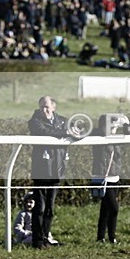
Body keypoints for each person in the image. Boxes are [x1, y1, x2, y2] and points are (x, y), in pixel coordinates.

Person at [28, 95, 83, 249]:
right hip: (41, 170)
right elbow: (43, 131)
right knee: (40, 208)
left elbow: (78, 133)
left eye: (46, 106)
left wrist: (70, 132)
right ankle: (37, 241)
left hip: (57, 170)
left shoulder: (63, 121)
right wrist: (65, 132)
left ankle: (46, 238)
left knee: (50, 209)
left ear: (54, 107)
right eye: (41, 107)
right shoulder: (34, 121)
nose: (43, 110)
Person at [92, 114, 128, 244]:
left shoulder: (117, 138)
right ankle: (111, 237)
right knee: (114, 208)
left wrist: (124, 124)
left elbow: (128, 135)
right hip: (101, 177)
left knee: (105, 209)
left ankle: (102, 237)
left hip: (114, 177)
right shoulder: (97, 137)